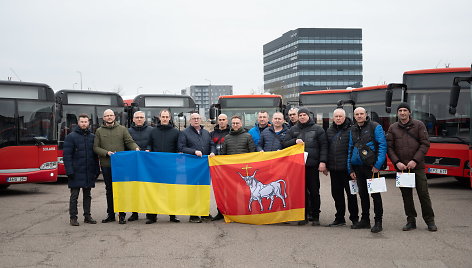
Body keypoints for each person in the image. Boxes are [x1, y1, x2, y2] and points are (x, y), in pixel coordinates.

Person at [387, 103, 437, 232]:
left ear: (409, 112)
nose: (402, 113)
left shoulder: (419, 125)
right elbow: (389, 148)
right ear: (397, 113)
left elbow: (425, 144)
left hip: (417, 166)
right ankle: (411, 221)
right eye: (400, 110)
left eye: (405, 110)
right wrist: (397, 162)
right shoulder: (393, 128)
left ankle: (430, 221)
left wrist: (415, 160)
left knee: (423, 194)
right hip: (402, 168)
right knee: (406, 195)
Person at [283, 108, 328, 226]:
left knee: (314, 191)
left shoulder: (318, 129)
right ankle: (304, 216)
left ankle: (316, 216)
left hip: (312, 165)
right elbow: (284, 144)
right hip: (298, 167)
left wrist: (322, 162)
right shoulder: (293, 129)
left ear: (309, 116)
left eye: (304, 115)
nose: (302, 117)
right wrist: (294, 141)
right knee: (301, 191)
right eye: (300, 115)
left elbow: (324, 146)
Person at [94, 109, 139, 224]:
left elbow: (129, 142)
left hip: (121, 166)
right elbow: (95, 148)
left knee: (121, 190)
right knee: (109, 190)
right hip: (106, 165)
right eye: (107, 116)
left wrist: (136, 148)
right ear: (103, 118)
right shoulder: (99, 131)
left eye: (111, 115)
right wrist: (106, 153)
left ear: (114, 117)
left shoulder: (122, 129)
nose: (109, 117)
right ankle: (111, 214)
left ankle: (122, 214)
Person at [347, 107, 387, 233]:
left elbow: (382, 145)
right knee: (363, 195)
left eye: (361, 114)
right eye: (357, 114)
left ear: (366, 114)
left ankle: (378, 221)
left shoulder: (375, 127)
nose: (359, 116)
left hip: (372, 167)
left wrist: (378, 165)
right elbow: (350, 149)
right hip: (358, 167)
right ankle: (365, 220)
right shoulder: (352, 129)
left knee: (375, 195)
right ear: (354, 116)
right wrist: (350, 168)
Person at [213, 115, 256, 221]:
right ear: (231, 124)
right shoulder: (227, 138)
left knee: (245, 193)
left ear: (241, 124)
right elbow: (223, 155)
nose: (235, 125)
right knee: (231, 193)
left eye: (237, 123)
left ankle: (246, 213)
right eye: (233, 123)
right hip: (231, 172)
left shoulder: (247, 136)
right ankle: (230, 213)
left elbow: (252, 153)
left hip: (244, 171)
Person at [178, 113, 216, 223]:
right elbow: (181, 147)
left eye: (198, 118)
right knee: (192, 191)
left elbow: (212, 144)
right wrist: (194, 152)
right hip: (191, 166)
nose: (196, 120)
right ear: (190, 121)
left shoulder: (206, 133)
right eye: (194, 118)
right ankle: (193, 215)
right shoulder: (184, 133)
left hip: (204, 167)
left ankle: (204, 213)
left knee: (203, 190)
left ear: (201, 120)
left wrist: (213, 152)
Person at [63, 114, 100, 226]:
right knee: (74, 195)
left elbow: (95, 156)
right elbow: (67, 156)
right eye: (82, 121)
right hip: (75, 171)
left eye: (86, 122)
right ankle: (73, 218)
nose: (84, 123)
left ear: (88, 123)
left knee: (87, 195)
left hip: (88, 171)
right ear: (78, 123)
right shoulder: (71, 137)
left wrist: (96, 170)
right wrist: (69, 171)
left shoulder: (92, 137)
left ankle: (87, 216)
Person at [147, 109, 181, 224]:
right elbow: (149, 144)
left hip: (171, 167)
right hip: (155, 167)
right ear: (159, 118)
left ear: (170, 118)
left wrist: (179, 155)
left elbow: (178, 148)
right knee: (154, 191)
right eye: (163, 117)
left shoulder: (176, 132)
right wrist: (148, 150)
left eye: (167, 117)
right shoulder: (153, 131)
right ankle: (152, 216)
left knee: (171, 191)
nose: (165, 119)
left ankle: (172, 215)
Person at [326, 108, 358, 227]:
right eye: (336, 116)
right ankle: (339, 218)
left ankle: (355, 219)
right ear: (333, 118)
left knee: (352, 195)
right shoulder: (329, 131)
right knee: (337, 194)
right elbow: (326, 148)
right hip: (334, 170)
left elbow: (355, 149)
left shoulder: (352, 130)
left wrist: (353, 169)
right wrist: (326, 164)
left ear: (345, 117)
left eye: (340, 116)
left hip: (348, 170)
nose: (338, 118)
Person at [126, 111, 153, 222]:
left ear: (144, 119)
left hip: (148, 164)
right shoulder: (128, 131)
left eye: (141, 117)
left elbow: (153, 143)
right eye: (137, 117)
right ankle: (134, 213)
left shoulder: (151, 130)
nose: (139, 119)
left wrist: (149, 149)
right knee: (134, 189)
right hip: (134, 164)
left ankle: (150, 213)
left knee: (148, 188)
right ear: (133, 119)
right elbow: (126, 144)